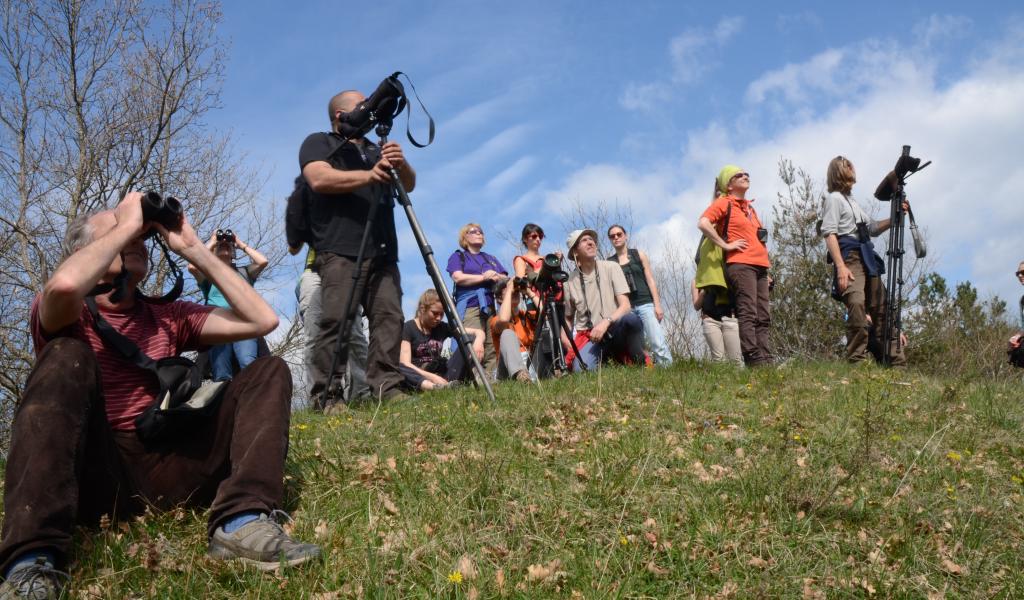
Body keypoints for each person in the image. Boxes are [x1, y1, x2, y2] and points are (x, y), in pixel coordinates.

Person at [0, 193, 320, 598]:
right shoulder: (63, 310)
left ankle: (242, 522)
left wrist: (192, 249)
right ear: (85, 251)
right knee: (64, 354)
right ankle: (32, 562)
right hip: (99, 469)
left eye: (140, 234)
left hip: (169, 461)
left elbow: (262, 320)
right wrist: (128, 224)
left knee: (268, 369)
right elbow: (64, 285)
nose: (136, 238)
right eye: (117, 230)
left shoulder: (168, 315)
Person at [300, 89, 416, 408]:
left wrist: (399, 163)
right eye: (362, 104)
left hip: (382, 249)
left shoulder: (373, 148)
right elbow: (317, 177)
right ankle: (328, 395)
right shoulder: (319, 142)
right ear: (341, 114)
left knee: (389, 316)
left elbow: (408, 184)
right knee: (337, 320)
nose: (369, 108)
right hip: (339, 248)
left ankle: (387, 387)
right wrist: (367, 177)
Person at [820, 155, 906, 366]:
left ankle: (896, 364)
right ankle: (856, 361)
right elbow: (829, 233)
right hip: (850, 257)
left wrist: (894, 218)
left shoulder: (853, 202)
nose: (851, 166)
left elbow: (872, 228)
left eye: (851, 163)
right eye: (845, 164)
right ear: (837, 172)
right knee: (856, 303)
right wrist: (840, 266)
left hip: (867, 256)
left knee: (882, 308)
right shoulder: (834, 199)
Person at [698, 165, 772, 367]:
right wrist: (725, 244)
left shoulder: (749, 208)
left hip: (761, 266)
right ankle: (753, 358)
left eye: (747, 173)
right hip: (740, 264)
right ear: (728, 185)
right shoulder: (724, 203)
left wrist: (767, 267)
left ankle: (765, 359)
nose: (745, 176)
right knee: (748, 312)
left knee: (763, 314)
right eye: (738, 175)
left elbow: (760, 239)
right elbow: (703, 223)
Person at [290, 247, 370, 408]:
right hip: (315, 271)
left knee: (354, 334)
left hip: (349, 272)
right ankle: (322, 398)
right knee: (314, 334)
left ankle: (363, 395)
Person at [187, 230, 268, 381]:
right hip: (218, 323)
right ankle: (223, 400)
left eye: (228, 245)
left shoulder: (244, 272)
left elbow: (262, 261)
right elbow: (192, 267)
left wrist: (241, 244)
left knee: (248, 362)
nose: (224, 247)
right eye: (221, 246)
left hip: (243, 322)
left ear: (233, 252)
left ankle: (249, 399)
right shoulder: (209, 274)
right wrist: (212, 242)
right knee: (221, 370)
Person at [562, 229, 646, 370]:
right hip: (590, 337)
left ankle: (639, 361)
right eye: (584, 240)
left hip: (615, 328)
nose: (590, 242)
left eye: (591, 239)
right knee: (581, 370)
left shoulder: (612, 267)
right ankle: (607, 359)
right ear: (575, 252)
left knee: (631, 320)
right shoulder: (569, 282)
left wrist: (605, 323)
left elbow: (625, 306)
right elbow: (568, 318)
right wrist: (564, 338)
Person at [446, 223, 507, 377]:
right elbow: (457, 277)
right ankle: (472, 378)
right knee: (472, 341)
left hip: (489, 306)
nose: (479, 233)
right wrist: (483, 277)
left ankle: (491, 378)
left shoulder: (490, 258)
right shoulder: (459, 256)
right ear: (464, 237)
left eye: (481, 231)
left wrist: (495, 275)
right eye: (474, 231)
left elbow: (505, 278)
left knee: (491, 345)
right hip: (469, 306)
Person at [606, 224, 673, 366]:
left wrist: (657, 304)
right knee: (637, 344)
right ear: (610, 240)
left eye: (619, 234)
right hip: (626, 309)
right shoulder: (609, 263)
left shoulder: (638, 254)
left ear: (625, 236)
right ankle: (644, 369)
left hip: (645, 303)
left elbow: (650, 279)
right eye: (612, 236)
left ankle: (668, 369)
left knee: (657, 340)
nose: (616, 238)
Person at [399, 289, 484, 391]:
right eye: (435, 313)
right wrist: (433, 377)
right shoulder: (408, 328)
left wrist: (479, 341)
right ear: (422, 309)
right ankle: (435, 388)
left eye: (442, 314)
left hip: (442, 376)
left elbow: (477, 332)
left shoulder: (442, 327)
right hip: (418, 378)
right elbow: (405, 363)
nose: (439, 318)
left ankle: (474, 379)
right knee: (399, 366)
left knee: (469, 339)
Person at [490, 278, 540, 382]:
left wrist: (530, 293)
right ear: (499, 299)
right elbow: (504, 319)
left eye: (516, 291)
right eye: (509, 291)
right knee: (507, 333)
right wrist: (509, 289)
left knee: (545, 332)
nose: (514, 292)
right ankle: (520, 374)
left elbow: (546, 314)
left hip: (530, 363)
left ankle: (528, 376)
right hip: (506, 369)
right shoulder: (495, 320)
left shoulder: (526, 316)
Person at [690, 279, 742, 364]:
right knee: (719, 359)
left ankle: (738, 377)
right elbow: (696, 306)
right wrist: (703, 292)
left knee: (736, 359)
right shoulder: (697, 281)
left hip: (730, 319)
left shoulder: (727, 274)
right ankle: (721, 377)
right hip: (710, 321)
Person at [1008, 262, 1024, 367]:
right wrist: (1018, 337)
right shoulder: (1022, 301)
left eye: (1023, 272)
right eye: (1017, 273)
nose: (1020, 275)